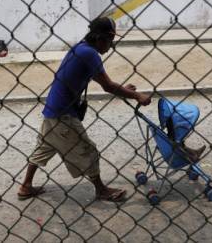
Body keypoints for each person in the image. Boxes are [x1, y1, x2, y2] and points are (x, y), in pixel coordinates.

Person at [17, 17, 151, 202]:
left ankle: (26, 186)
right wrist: (137, 96)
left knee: (45, 146)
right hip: (63, 113)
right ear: (100, 38)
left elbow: (105, 83)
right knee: (88, 150)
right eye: (110, 41)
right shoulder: (90, 54)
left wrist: (125, 90)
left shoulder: (80, 48)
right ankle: (101, 190)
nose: (110, 46)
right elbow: (108, 86)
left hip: (53, 108)